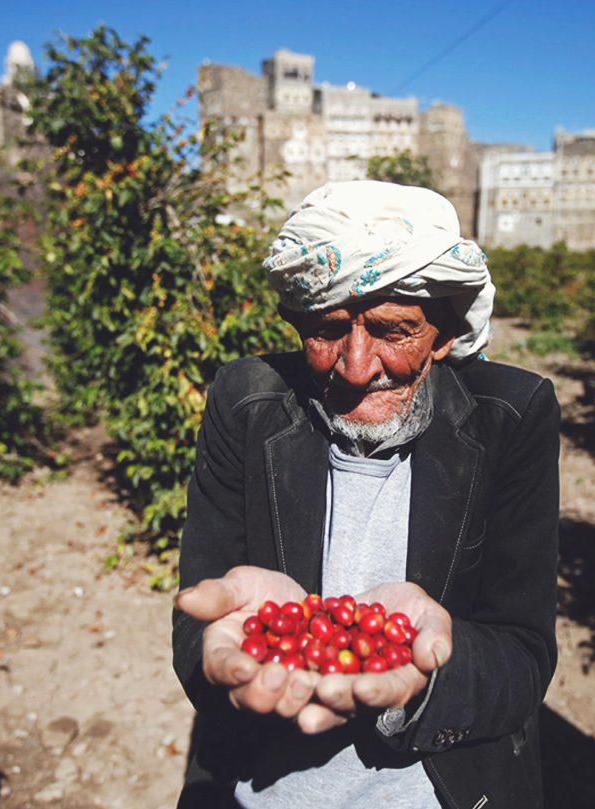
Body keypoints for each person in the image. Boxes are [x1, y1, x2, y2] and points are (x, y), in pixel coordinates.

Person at [172, 181, 560, 808]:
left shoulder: (511, 420)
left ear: (443, 336)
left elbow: (523, 650)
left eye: (393, 331)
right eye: (327, 329)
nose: (355, 367)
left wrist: (427, 675)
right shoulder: (245, 406)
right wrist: (229, 663)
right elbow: (202, 623)